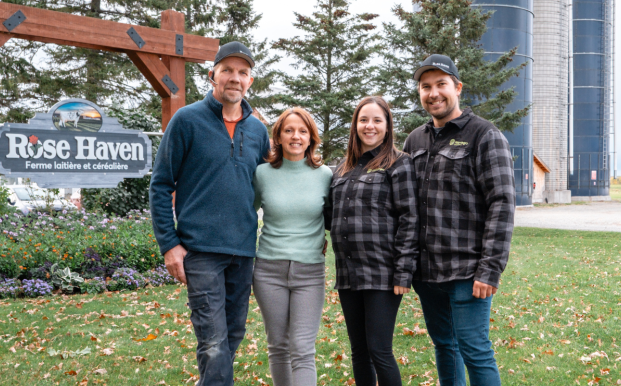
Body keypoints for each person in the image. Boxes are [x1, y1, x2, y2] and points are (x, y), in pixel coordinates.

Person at [149, 41, 270, 386]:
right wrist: (169, 244)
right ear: (212, 75)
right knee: (213, 342)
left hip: (243, 251)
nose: (235, 77)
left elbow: (271, 185)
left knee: (232, 335)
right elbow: (160, 185)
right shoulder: (187, 120)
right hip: (200, 252)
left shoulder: (259, 131)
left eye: (243, 72)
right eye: (228, 70)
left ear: (250, 81)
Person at [403, 54, 516, 386]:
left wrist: (490, 268)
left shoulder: (484, 135)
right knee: (444, 347)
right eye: (426, 86)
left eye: (441, 84)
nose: (434, 93)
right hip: (427, 275)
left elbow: (502, 204)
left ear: (457, 88)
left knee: (475, 351)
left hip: (468, 272)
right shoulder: (415, 140)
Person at [328, 96, 419, 386]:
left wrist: (403, 272)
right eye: (363, 120)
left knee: (379, 350)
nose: (370, 126)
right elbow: (331, 214)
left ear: (387, 125)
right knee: (358, 352)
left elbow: (410, 218)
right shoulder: (341, 169)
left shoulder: (399, 163)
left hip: (382, 273)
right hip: (348, 273)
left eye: (377, 120)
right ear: (355, 125)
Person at [252, 107, 332, 386]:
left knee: (302, 349)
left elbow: (335, 219)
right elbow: (246, 216)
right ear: (278, 136)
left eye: (302, 131)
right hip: (268, 271)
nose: (295, 136)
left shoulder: (325, 175)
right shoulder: (262, 174)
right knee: (278, 345)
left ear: (311, 138)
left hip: (309, 272)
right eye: (289, 130)